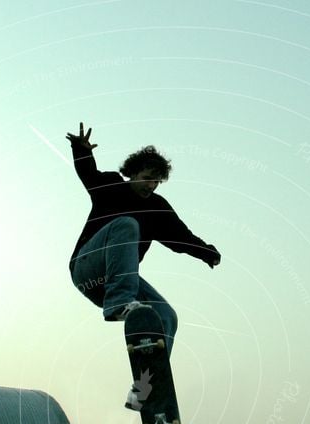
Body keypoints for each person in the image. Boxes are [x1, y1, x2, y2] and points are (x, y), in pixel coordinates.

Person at [66, 122, 221, 408]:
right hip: (88, 267)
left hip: (117, 280)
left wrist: (206, 252)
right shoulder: (111, 185)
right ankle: (118, 305)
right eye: (148, 178)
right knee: (127, 224)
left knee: (166, 317)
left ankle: (143, 390)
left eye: (157, 181)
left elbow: (179, 236)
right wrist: (81, 149)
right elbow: (88, 174)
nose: (151, 185)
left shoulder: (158, 207)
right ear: (133, 172)